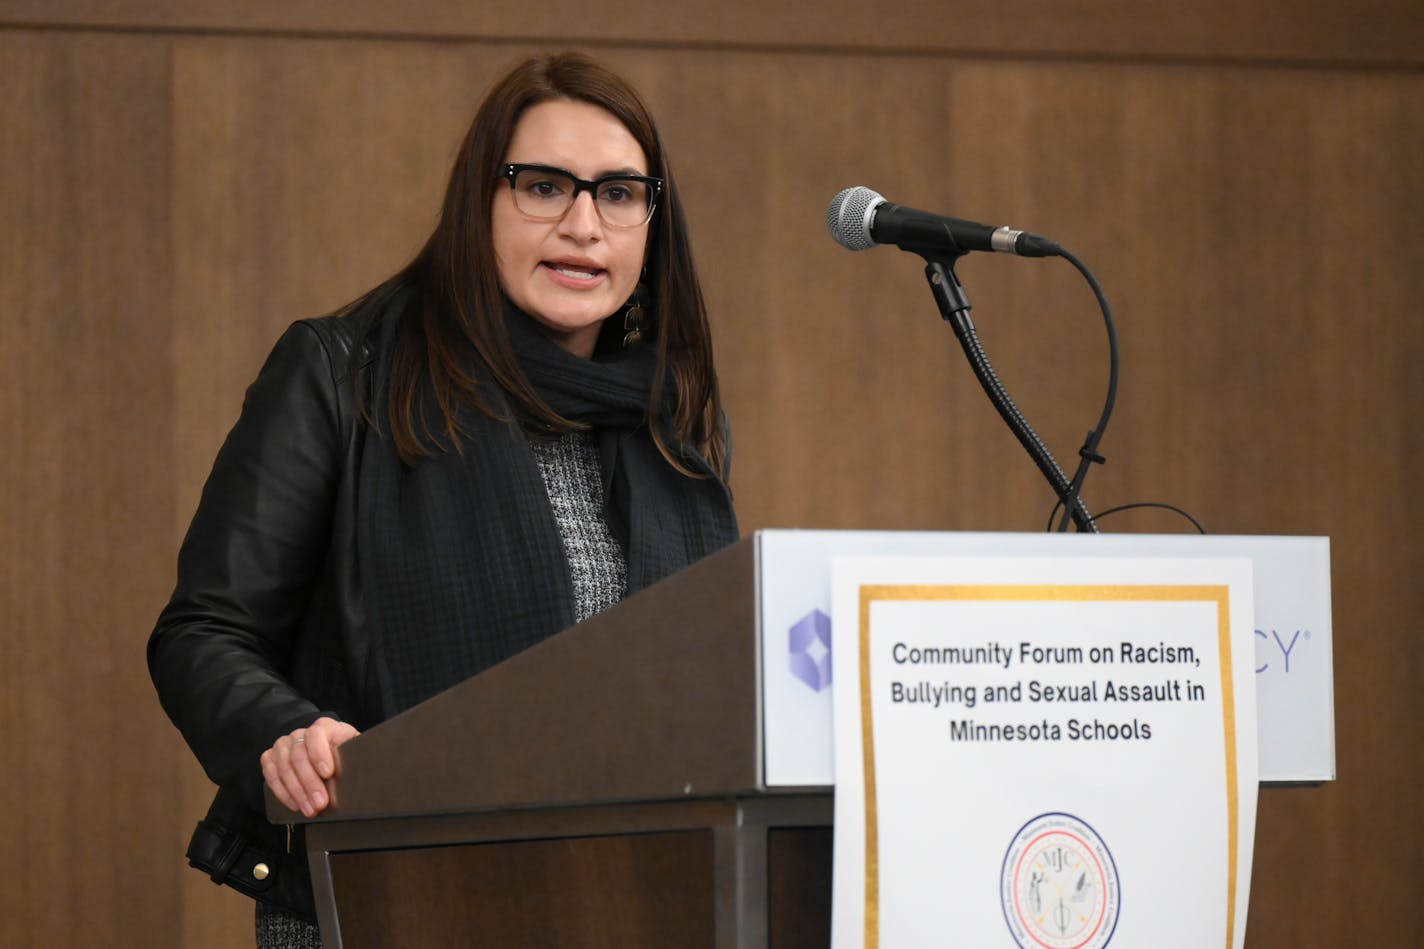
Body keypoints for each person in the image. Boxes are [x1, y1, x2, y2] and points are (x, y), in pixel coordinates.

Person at [147, 51, 739, 948]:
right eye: (545, 186)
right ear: (481, 203)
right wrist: (288, 732)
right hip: (378, 892)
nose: (585, 224)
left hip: (628, 899)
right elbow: (202, 631)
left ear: (654, 223)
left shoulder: (670, 419)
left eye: (619, 193)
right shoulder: (346, 376)